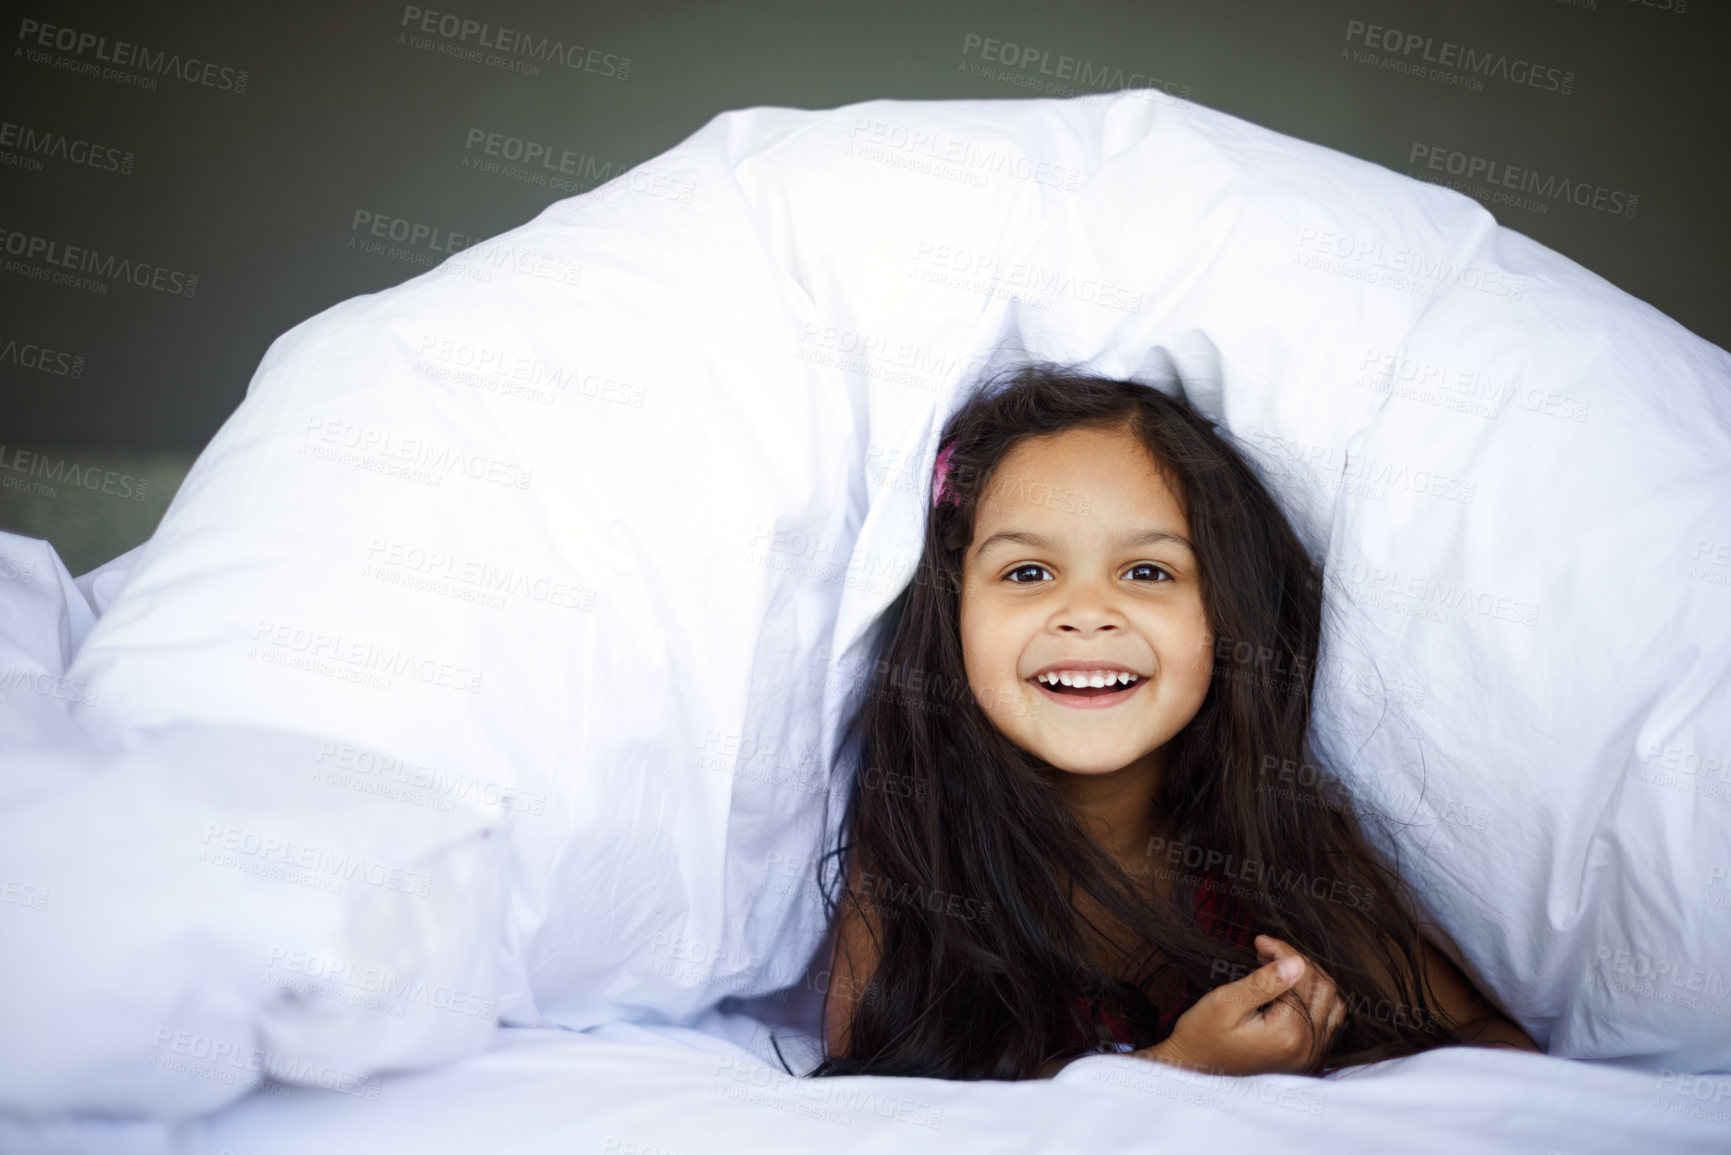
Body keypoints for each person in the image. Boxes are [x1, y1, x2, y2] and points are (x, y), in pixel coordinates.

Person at [808, 364, 1538, 1082]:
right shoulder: (919, 832)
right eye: (1027, 571)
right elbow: (872, 1073)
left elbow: (1488, 1041)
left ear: (1222, 617)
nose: (1087, 612)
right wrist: (1180, 1067)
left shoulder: (1269, 840)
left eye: (1147, 572)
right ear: (952, 612)